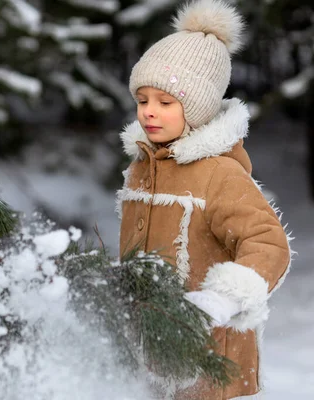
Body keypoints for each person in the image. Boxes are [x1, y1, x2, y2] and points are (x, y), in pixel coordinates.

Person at [116, 0, 292, 398]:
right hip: (149, 355)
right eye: (142, 100)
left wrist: (222, 298)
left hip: (210, 364)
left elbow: (268, 243)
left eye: (165, 102)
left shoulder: (219, 174)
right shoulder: (143, 168)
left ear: (197, 108)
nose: (149, 113)